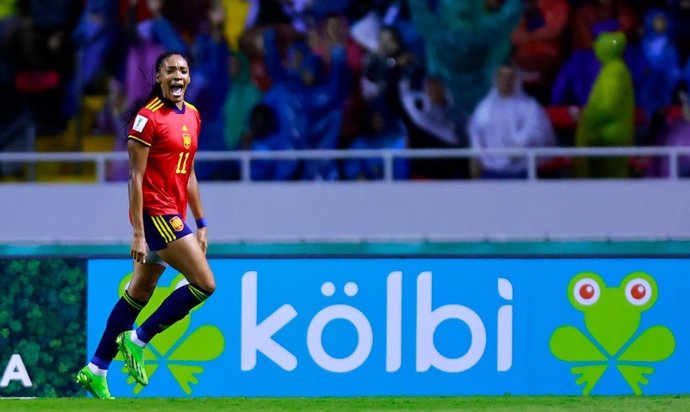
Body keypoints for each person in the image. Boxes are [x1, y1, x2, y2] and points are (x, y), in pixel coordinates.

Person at [74, 51, 216, 399]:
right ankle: (138, 338)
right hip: (155, 215)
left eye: (183, 70)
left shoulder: (194, 116)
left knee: (139, 291)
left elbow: (189, 173)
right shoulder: (146, 119)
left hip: (175, 213)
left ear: (189, 77)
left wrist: (201, 222)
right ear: (158, 77)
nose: (178, 76)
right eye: (171, 71)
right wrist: (139, 233)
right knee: (205, 284)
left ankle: (96, 368)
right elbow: (135, 179)